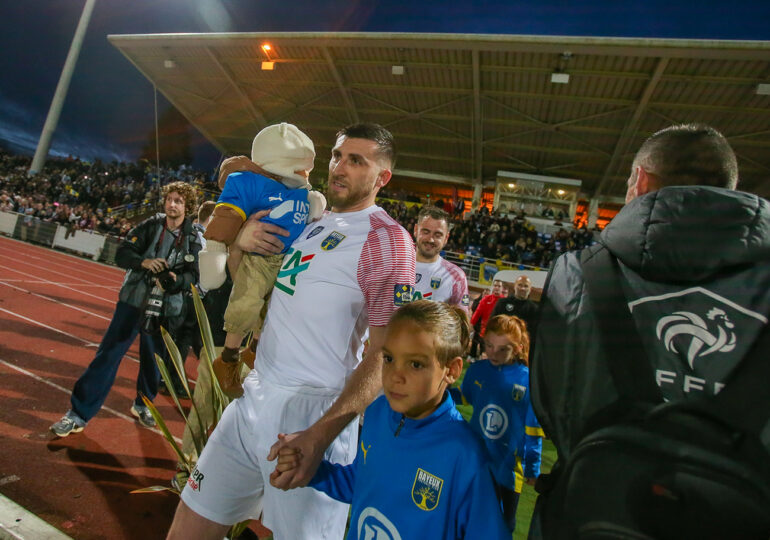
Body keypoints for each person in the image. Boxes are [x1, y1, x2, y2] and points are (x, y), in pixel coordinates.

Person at [167, 123, 416, 540]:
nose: (339, 167)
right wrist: (240, 243)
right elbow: (253, 288)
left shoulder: (386, 240)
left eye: (356, 161)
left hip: (312, 414)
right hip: (253, 397)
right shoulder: (310, 219)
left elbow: (385, 354)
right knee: (187, 529)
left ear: (382, 177)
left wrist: (320, 435)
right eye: (337, 156)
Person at [272, 301, 511, 539]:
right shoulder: (377, 413)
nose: (396, 375)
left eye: (415, 364)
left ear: (451, 370)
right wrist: (313, 470)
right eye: (389, 359)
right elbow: (363, 483)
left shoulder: (466, 456)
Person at [50, 181, 201, 436]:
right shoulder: (150, 225)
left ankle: (144, 405)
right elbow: (122, 254)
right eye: (169, 199)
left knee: (154, 362)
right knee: (108, 355)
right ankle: (78, 414)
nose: (172, 204)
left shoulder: (193, 238)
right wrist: (144, 263)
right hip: (133, 301)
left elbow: (194, 276)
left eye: (179, 201)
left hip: (165, 308)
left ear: (188, 206)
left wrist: (176, 280)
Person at [198, 123, 326, 397]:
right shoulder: (249, 185)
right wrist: (223, 248)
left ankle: (253, 350)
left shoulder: (302, 194)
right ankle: (229, 358)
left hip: (284, 268)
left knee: (271, 309)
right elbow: (224, 221)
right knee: (246, 304)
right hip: (249, 274)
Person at [454, 314, 544, 533]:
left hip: (507, 469)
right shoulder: (478, 370)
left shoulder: (528, 380)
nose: (493, 353)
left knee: (502, 526)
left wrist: (532, 466)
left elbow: (533, 430)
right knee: (465, 518)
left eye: (503, 349)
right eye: (489, 345)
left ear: (519, 348)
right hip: (475, 461)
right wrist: (436, 391)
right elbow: (465, 397)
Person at [412, 205, 470, 311]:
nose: (430, 239)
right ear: (416, 230)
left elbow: (462, 318)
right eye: (426, 232)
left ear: (446, 238)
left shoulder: (456, 276)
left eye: (437, 235)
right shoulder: (394, 265)